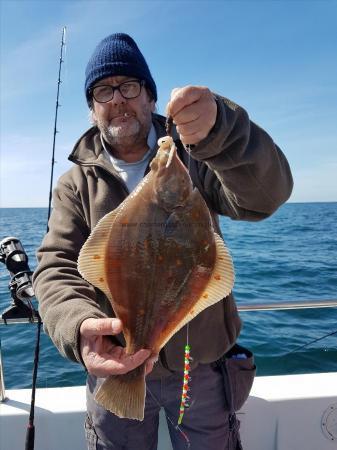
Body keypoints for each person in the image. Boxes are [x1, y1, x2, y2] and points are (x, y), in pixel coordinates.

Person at [33, 33, 293, 449]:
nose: (117, 98)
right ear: (92, 108)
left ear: (150, 98)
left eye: (130, 86)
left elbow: (265, 197)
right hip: (115, 363)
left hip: (201, 365)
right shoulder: (75, 184)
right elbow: (55, 268)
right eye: (104, 90)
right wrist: (80, 326)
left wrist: (221, 130)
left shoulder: (196, 157)